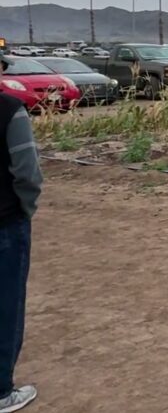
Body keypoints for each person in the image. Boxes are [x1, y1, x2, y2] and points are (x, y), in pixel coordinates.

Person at [1, 70, 42, 413]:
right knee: (6, 305)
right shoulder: (9, 109)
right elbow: (27, 171)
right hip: (5, 223)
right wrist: (25, 209)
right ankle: (2, 391)